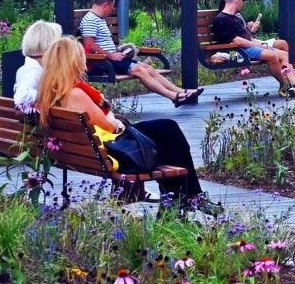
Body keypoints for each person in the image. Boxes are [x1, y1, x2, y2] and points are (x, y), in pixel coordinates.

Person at [36, 38, 203, 204]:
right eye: (81, 57)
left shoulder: (49, 92)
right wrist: (116, 120)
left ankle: (186, 199)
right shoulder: (74, 94)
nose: (84, 61)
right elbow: (110, 127)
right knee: (169, 132)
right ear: (72, 62)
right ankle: (189, 199)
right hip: (113, 151)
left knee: (167, 133)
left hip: (85, 152)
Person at [78, 0, 200, 106]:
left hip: (111, 59)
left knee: (147, 67)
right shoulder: (90, 20)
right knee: (139, 70)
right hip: (102, 62)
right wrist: (111, 55)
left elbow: (101, 43)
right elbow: (89, 45)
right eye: (112, 6)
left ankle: (181, 92)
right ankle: (174, 97)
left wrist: (120, 50)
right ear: (105, 4)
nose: (112, 9)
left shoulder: (99, 19)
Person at [208, 0, 295, 94]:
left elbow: (248, 37)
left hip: (247, 46)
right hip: (237, 50)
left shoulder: (236, 18)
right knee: (272, 55)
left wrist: (262, 44)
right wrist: (260, 45)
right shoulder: (221, 19)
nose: (243, 3)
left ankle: (294, 84)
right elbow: (237, 41)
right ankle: (285, 85)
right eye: (242, 0)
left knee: (284, 54)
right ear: (237, 1)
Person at [13, 19, 63, 111]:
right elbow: (22, 96)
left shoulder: (29, 67)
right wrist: (48, 95)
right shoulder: (34, 70)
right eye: (58, 47)